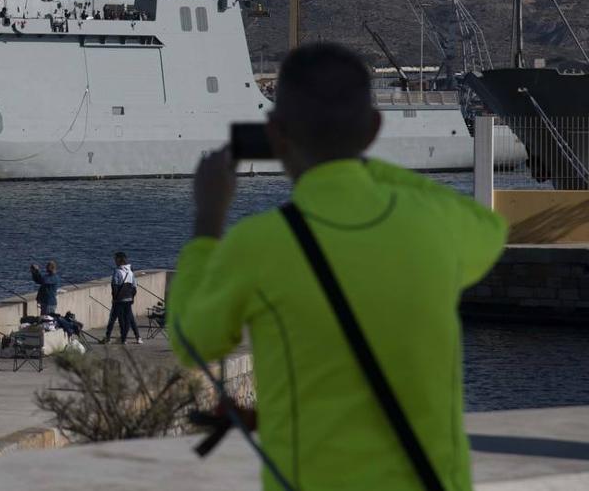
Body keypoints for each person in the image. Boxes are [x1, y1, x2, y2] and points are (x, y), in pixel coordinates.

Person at [166, 42, 507, 490]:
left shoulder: (259, 245)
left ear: (275, 134)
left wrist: (208, 218)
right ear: (373, 129)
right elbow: (490, 229)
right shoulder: (436, 225)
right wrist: (361, 165)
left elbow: (191, 340)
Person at [103, 252, 141, 344]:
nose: (114, 261)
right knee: (128, 319)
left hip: (119, 300)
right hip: (128, 299)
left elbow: (114, 286)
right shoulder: (130, 272)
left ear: (119, 260)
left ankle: (108, 338)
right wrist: (132, 298)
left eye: (115, 259)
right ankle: (126, 338)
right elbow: (134, 288)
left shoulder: (117, 271)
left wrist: (114, 298)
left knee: (114, 319)